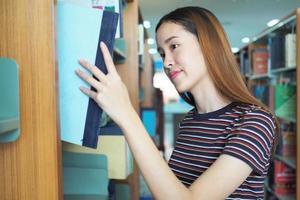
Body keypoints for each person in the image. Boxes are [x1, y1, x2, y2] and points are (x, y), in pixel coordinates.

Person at [75, 6, 279, 200]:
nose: (166, 62)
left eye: (174, 46)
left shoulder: (255, 121)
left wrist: (127, 115)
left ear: (208, 45)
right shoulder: (191, 119)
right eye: (162, 53)